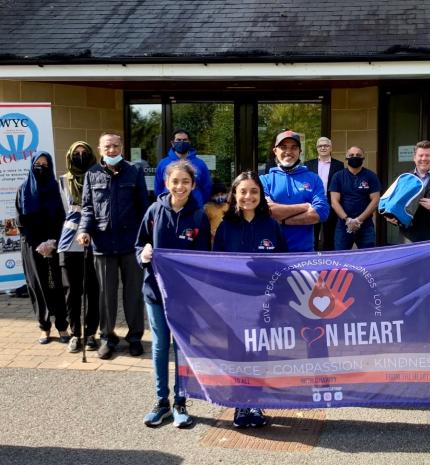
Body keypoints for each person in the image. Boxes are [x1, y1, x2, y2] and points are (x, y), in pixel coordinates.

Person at [136, 160, 211, 428]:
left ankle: (180, 402)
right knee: (159, 346)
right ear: (166, 183)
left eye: (185, 182)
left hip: (185, 297)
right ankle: (161, 402)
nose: (180, 187)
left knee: (181, 347)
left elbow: (203, 260)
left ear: (193, 185)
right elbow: (139, 246)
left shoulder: (199, 216)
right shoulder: (154, 211)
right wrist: (143, 255)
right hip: (155, 292)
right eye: (175, 181)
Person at [213, 170, 287, 427]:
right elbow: (216, 265)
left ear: (261, 195)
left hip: (263, 303)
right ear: (234, 195)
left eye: (254, 191)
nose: (248, 196)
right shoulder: (226, 227)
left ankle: (255, 404)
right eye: (242, 191)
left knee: (259, 352)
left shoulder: (272, 226)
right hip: (234, 303)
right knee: (237, 353)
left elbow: (283, 265)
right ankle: (240, 404)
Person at [77, 132, 149, 360]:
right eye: (107, 146)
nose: (112, 150)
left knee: (133, 295)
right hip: (103, 243)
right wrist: (84, 230)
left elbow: (143, 207)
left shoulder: (134, 171)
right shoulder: (91, 174)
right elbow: (87, 206)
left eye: (116, 146)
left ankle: (135, 337)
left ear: (122, 147)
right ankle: (107, 338)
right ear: (100, 149)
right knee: (106, 295)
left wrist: (145, 238)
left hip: (131, 243)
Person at [15, 151, 69, 344]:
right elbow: (21, 221)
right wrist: (38, 243)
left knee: (58, 286)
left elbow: (63, 217)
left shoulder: (56, 188)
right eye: (38, 163)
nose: (41, 167)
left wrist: (52, 241)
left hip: (54, 244)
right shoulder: (23, 189)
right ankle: (44, 327)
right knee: (38, 288)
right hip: (32, 246)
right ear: (31, 165)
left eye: (45, 164)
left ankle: (62, 326)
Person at [58, 141, 100, 353]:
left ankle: (91, 332)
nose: (81, 156)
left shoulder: (98, 178)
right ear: (69, 156)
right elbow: (57, 215)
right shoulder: (62, 182)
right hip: (68, 243)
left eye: (85, 152)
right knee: (72, 292)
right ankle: (75, 334)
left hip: (94, 242)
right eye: (77, 153)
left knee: (93, 290)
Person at [259, 130, 329, 252]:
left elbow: (321, 212)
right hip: (271, 253)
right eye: (283, 147)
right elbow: (268, 211)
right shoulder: (264, 180)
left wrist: (283, 220)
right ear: (275, 151)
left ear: (299, 152)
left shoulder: (313, 178)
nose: (288, 152)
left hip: (304, 254)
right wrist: (306, 206)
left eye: (294, 148)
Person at [329, 146, 381, 250]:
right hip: (343, 225)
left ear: (363, 158)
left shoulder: (371, 176)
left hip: (365, 226)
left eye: (358, 155)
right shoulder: (338, 176)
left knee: (368, 258)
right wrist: (347, 220)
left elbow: (375, 200)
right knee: (341, 259)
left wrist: (359, 220)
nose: (355, 157)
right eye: (351, 155)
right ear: (346, 157)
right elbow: (334, 201)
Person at [154, 129, 212, 207]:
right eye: (178, 140)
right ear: (172, 143)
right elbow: (158, 187)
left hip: (194, 209)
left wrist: (199, 201)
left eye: (185, 140)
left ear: (189, 142)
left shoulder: (200, 163)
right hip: (170, 208)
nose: (182, 142)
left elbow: (206, 187)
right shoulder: (163, 163)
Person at [305, 137, 344, 250]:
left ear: (331, 148)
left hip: (331, 203)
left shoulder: (339, 165)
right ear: (317, 148)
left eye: (326, 145)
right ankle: (312, 258)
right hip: (312, 203)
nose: (323, 147)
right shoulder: (308, 164)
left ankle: (328, 260)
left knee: (329, 234)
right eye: (320, 146)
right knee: (312, 233)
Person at [204, 180, 229, 245]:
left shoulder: (229, 207)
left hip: (227, 238)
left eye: (222, 194)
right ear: (212, 196)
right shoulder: (208, 208)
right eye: (217, 195)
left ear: (227, 194)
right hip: (213, 239)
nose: (220, 197)